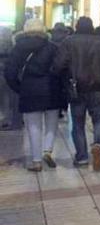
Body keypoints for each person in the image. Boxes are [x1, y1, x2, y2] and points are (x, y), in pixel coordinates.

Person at [52, 16, 100, 171]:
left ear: (76, 26)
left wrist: (63, 80)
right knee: (99, 120)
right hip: (99, 88)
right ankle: (98, 145)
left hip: (76, 88)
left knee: (78, 123)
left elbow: (59, 65)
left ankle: (81, 157)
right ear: (92, 27)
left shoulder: (68, 42)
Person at [3, 19, 66, 171]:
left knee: (33, 126)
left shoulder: (18, 48)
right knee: (51, 123)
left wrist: (20, 88)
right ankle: (48, 151)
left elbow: (10, 72)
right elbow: (60, 69)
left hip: (30, 90)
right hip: (52, 89)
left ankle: (37, 161)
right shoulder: (52, 47)